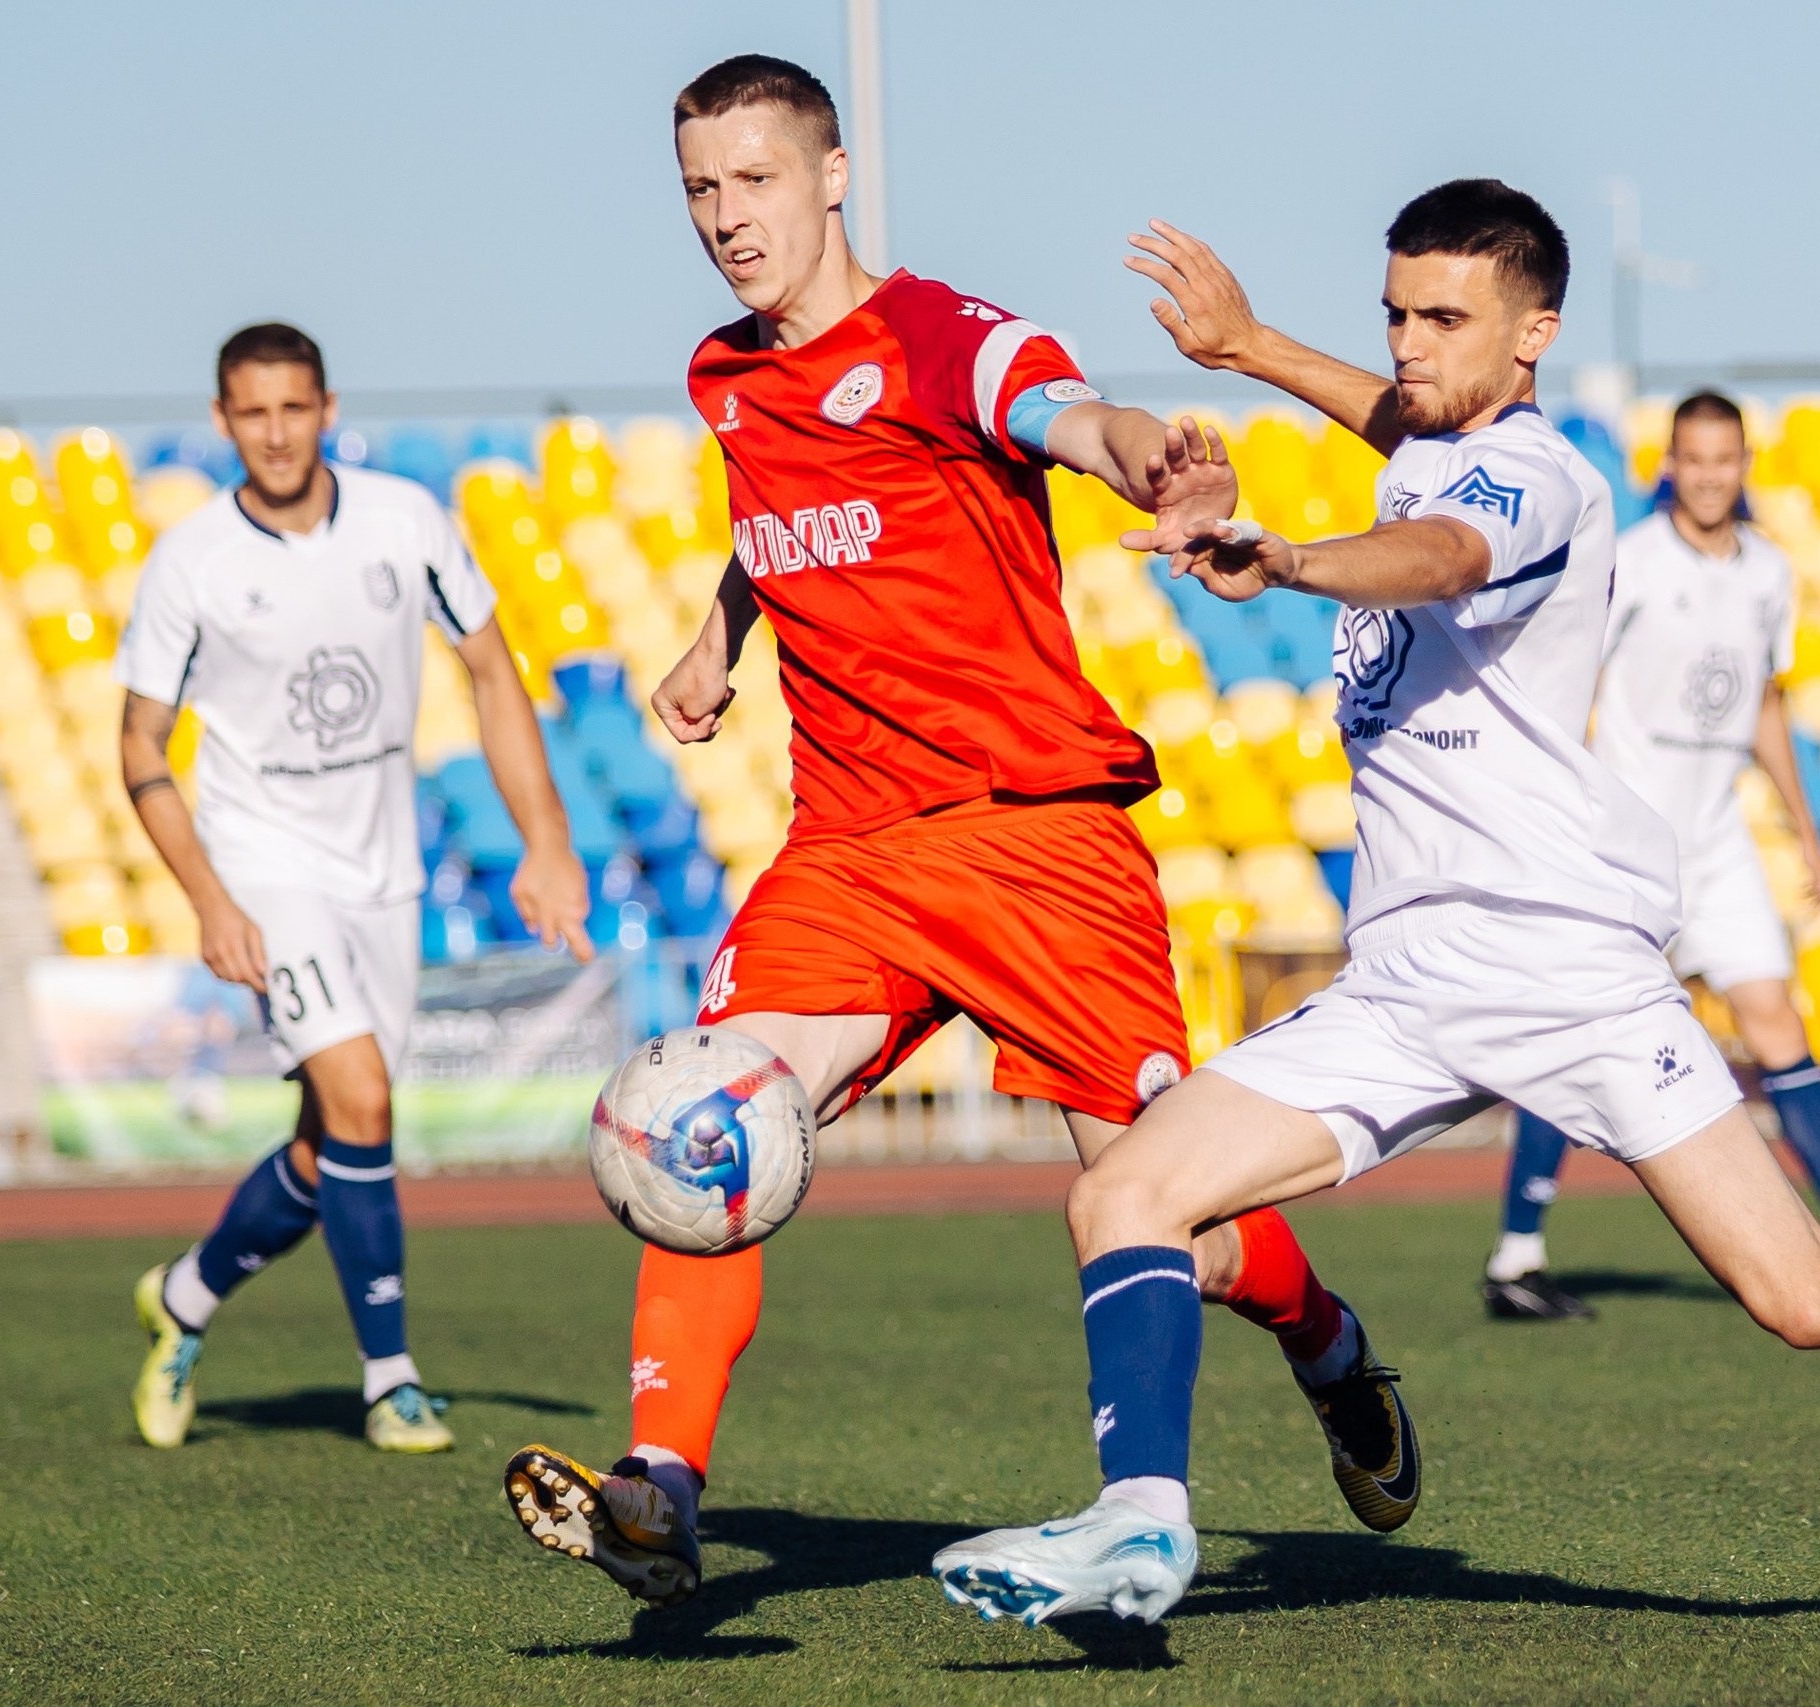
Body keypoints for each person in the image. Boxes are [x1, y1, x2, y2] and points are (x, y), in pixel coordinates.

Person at [930, 181, 1820, 1629]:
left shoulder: (1539, 482)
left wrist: (1284, 557)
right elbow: (1403, 436)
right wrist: (1252, 345)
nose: (1408, 343)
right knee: (1124, 1190)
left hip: (1570, 971)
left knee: (1804, 1299)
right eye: (1395, 311)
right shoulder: (1434, 442)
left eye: (1444, 318)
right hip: (1406, 984)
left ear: (1535, 334)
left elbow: (1444, 554)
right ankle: (1140, 1524)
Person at [501, 55, 1410, 1611]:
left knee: (1157, 1208)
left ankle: (1326, 1343)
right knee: (701, 1115)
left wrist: (1152, 459)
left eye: (758, 181)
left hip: (1037, 837)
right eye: (702, 191)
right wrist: (724, 633)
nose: (729, 219)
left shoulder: (938, 333)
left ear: (834, 174)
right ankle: (659, 1486)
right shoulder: (729, 373)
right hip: (851, 851)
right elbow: (777, 510)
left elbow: (1062, 411)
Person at [119, 322, 595, 1453]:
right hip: (263, 861)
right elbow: (141, 749)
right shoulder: (190, 562)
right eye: (252, 413)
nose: (276, 433)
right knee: (366, 1100)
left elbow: (490, 669)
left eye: (295, 409)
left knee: (328, 1141)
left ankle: (183, 1301)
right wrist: (212, 901)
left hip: (383, 867)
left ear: (327, 409)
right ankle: (392, 1381)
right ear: (224, 420)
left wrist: (547, 840)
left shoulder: (404, 521)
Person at [1482, 391, 1820, 1323]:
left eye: (1725, 459)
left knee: (1775, 1021)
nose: (1709, 475)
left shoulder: (1768, 573)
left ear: (1744, 463)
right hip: (1624, 842)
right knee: (1581, 1035)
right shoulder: (1631, 558)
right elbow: (1564, 675)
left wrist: (1804, 829)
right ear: (1670, 463)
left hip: (1717, 838)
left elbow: (1768, 705)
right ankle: (1516, 1254)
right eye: (1693, 459)